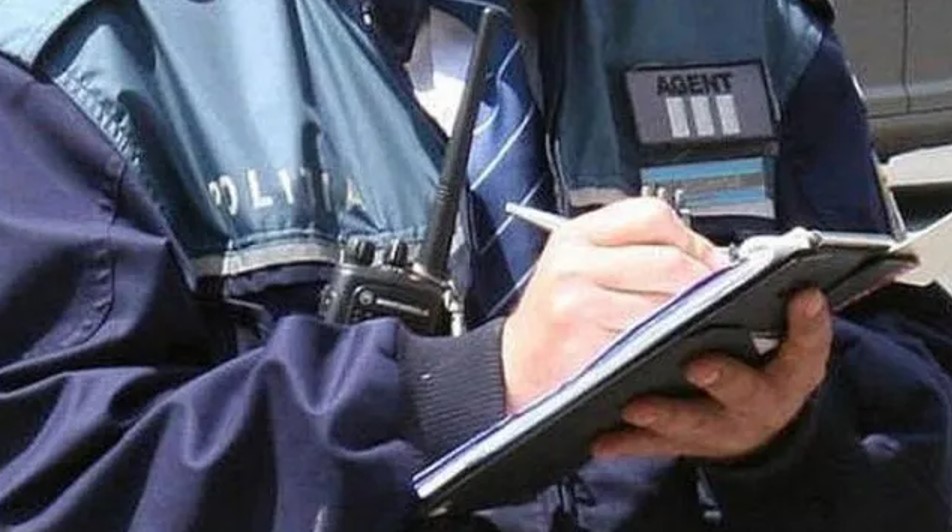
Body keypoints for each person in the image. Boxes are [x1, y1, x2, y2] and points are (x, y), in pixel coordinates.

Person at [0, 1, 948, 532]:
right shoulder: (88, 60)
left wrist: (786, 437)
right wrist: (457, 393)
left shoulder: (747, 26)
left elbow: (914, 391)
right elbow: (57, 480)